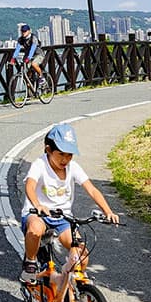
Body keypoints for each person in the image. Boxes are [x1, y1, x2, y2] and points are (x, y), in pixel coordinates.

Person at [20, 121, 119, 284]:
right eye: (61, 154)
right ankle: (30, 262)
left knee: (82, 256)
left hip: (62, 218)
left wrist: (108, 211)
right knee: (35, 230)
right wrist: (37, 205)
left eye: (69, 155)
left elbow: (92, 189)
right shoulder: (40, 164)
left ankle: (71, 287)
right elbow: (29, 185)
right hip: (37, 214)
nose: (65, 159)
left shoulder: (73, 167)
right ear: (48, 150)